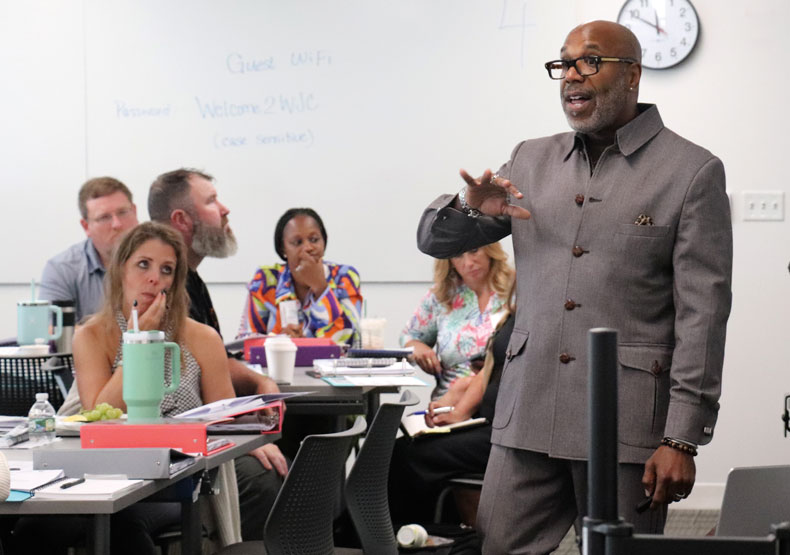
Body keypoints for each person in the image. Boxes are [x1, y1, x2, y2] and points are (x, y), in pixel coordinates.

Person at [416, 20, 732, 554]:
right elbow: (433, 240)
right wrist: (473, 207)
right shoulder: (530, 160)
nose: (571, 76)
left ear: (631, 74)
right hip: (527, 415)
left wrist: (682, 436)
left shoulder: (691, 171)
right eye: (563, 63)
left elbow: (702, 315)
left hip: (627, 424)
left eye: (588, 61)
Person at [22, 222, 236, 555]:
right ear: (120, 270)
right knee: (34, 526)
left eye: (167, 270)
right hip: (104, 471)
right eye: (143, 264)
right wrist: (137, 345)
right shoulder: (92, 335)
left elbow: (229, 420)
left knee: (123, 523)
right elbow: (98, 415)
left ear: (176, 282)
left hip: (175, 476)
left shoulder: (202, 338)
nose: (155, 278)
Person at [148, 168, 286, 541]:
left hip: (200, 431)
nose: (224, 209)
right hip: (170, 441)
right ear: (181, 220)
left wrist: (258, 381)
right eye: (210, 201)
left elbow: (213, 358)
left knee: (284, 455)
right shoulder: (161, 288)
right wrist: (240, 437)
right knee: (264, 480)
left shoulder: (192, 279)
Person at [389, 288, 514, 526]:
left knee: (408, 455)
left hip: (505, 432)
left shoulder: (533, 318)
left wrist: (460, 411)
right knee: (404, 446)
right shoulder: (513, 316)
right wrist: (457, 407)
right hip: (484, 421)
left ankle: (399, 535)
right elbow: (486, 371)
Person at [400, 242, 513, 398]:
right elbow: (409, 337)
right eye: (458, 255)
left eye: (474, 250)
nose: (468, 263)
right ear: (449, 261)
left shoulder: (516, 290)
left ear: (489, 249)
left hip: (499, 399)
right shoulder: (441, 296)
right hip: (447, 400)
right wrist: (419, 349)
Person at [238, 207, 363, 346]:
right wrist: (280, 342)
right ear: (283, 248)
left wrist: (320, 287)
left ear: (324, 241)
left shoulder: (344, 277)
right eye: (297, 242)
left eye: (314, 240)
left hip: (331, 367)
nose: (308, 248)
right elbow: (246, 342)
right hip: (278, 365)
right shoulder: (266, 280)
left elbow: (351, 341)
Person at [39, 177, 138, 322]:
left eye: (123, 212)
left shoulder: (163, 259)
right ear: (86, 226)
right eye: (104, 217)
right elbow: (54, 333)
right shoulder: (62, 269)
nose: (117, 224)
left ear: (134, 211)